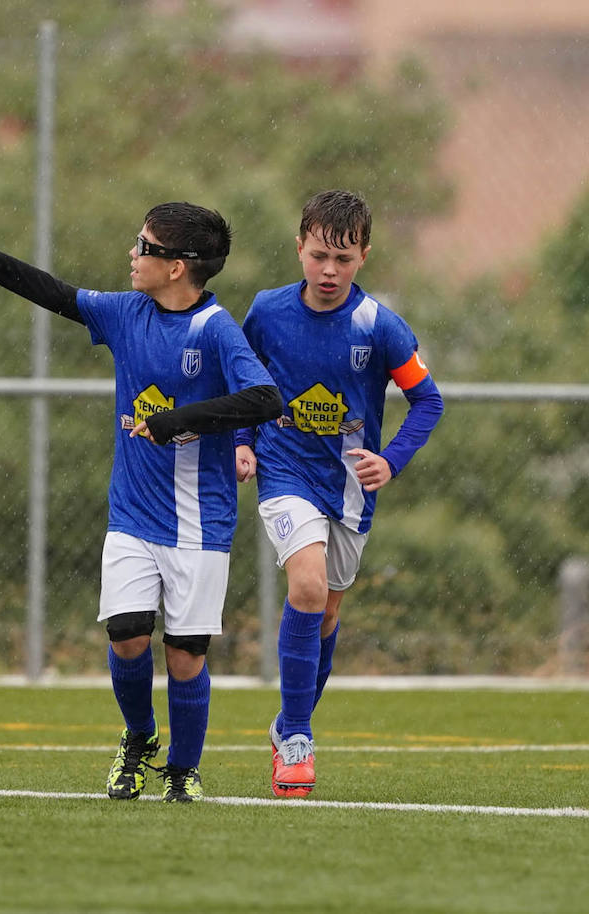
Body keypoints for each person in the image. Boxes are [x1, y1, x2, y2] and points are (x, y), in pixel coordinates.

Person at [0, 203, 280, 802]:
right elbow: (51, 292)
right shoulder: (126, 313)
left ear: (177, 267)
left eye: (145, 246)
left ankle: (183, 769)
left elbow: (266, 399)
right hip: (132, 516)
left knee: (185, 657)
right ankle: (138, 738)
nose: (133, 253)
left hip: (199, 522)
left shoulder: (215, 329)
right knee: (127, 634)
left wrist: (178, 420)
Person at [232, 189, 444, 797]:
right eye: (320, 255)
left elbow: (428, 400)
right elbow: (243, 382)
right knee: (307, 586)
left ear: (364, 257)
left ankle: (286, 723)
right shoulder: (267, 312)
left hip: (350, 488)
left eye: (344, 260)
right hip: (284, 471)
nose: (329, 270)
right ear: (299, 247)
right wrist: (243, 442)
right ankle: (298, 738)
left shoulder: (378, 325)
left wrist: (391, 460)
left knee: (326, 612)